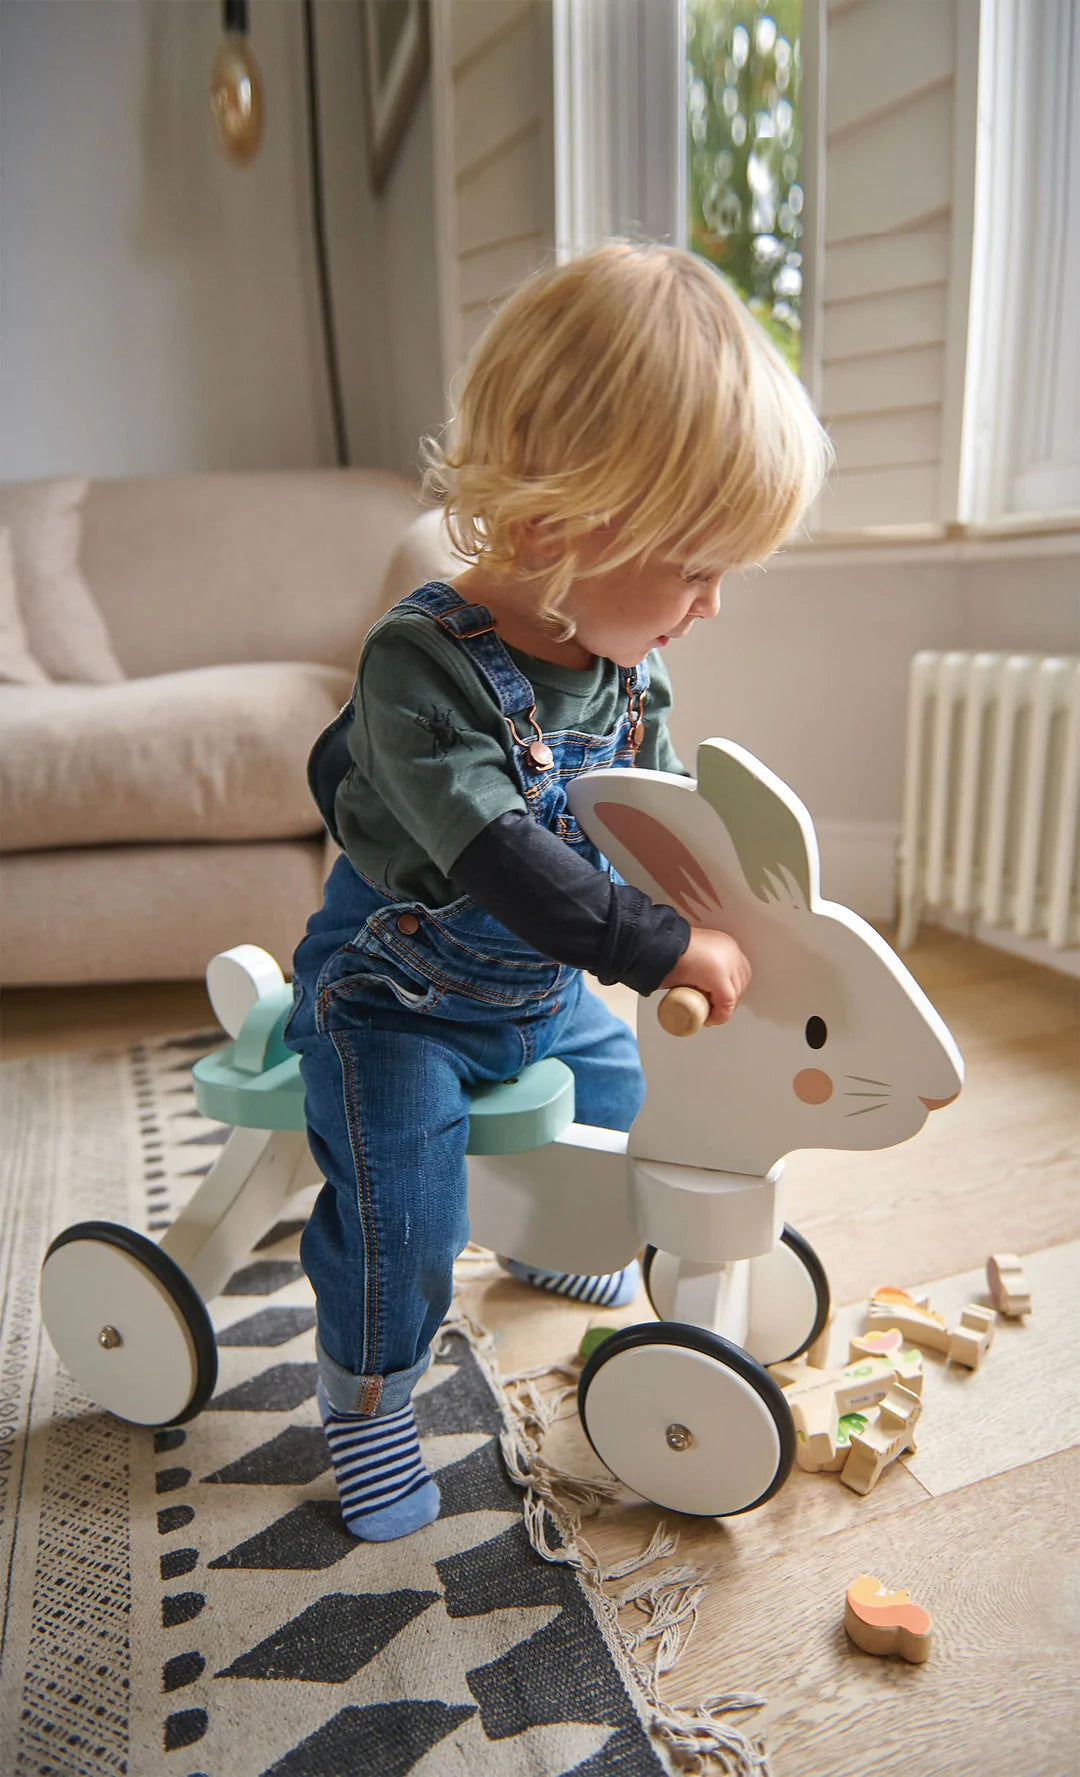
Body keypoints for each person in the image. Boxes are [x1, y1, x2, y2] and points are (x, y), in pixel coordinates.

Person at [285, 241, 831, 1541]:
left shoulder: (624, 664)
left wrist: (744, 911)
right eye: (694, 569)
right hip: (397, 1002)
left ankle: (551, 1236)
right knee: (407, 1213)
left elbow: (653, 816)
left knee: (639, 1109)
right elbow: (503, 861)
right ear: (556, 528)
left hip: (536, 993)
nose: (710, 606)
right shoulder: (419, 670)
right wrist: (658, 945)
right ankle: (368, 1399)